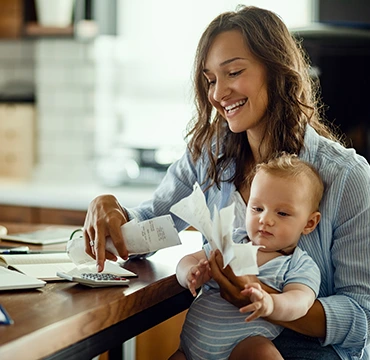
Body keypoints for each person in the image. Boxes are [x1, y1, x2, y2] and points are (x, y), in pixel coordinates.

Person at [83, 5, 370, 359]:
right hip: (213, 341)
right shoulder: (207, 157)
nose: (218, 94)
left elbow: (362, 319)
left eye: (233, 72)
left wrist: (264, 298)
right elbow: (150, 227)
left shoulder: (346, 176)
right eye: (209, 80)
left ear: (277, 69)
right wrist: (111, 211)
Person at [171, 154, 323, 360]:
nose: (265, 219)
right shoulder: (232, 241)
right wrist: (190, 273)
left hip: (242, 347)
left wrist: (271, 304)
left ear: (309, 224)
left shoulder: (298, 265)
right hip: (190, 349)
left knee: (263, 353)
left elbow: (301, 302)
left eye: (282, 214)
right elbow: (187, 260)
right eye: (258, 208)